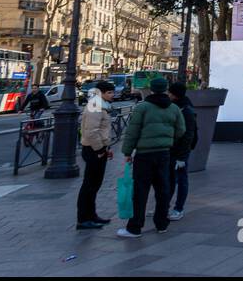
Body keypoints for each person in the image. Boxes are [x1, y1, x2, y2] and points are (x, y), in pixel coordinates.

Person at [118, 77, 185, 238]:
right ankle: (162, 224)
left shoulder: (143, 107)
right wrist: (168, 139)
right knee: (162, 190)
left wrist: (127, 152)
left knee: (140, 191)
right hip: (164, 153)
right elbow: (181, 129)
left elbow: (132, 131)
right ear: (165, 89)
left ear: (152, 89)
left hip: (144, 154)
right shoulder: (174, 108)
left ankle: (135, 227)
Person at [77, 81, 116, 230]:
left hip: (99, 149)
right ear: (102, 93)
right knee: (89, 185)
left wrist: (105, 148)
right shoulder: (95, 106)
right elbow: (91, 131)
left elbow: (100, 131)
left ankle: (91, 215)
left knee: (94, 184)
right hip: (93, 150)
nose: (113, 95)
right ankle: (83, 219)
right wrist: (100, 150)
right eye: (110, 92)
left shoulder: (101, 105)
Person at [167, 81, 199, 221]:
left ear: (175, 95)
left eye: (169, 92)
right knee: (170, 179)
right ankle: (165, 205)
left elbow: (188, 135)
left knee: (181, 179)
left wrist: (182, 157)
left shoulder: (186, 110)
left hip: (181, 151)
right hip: (174, 148)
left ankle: (178, 208)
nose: (167, 94)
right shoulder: (177, 106)